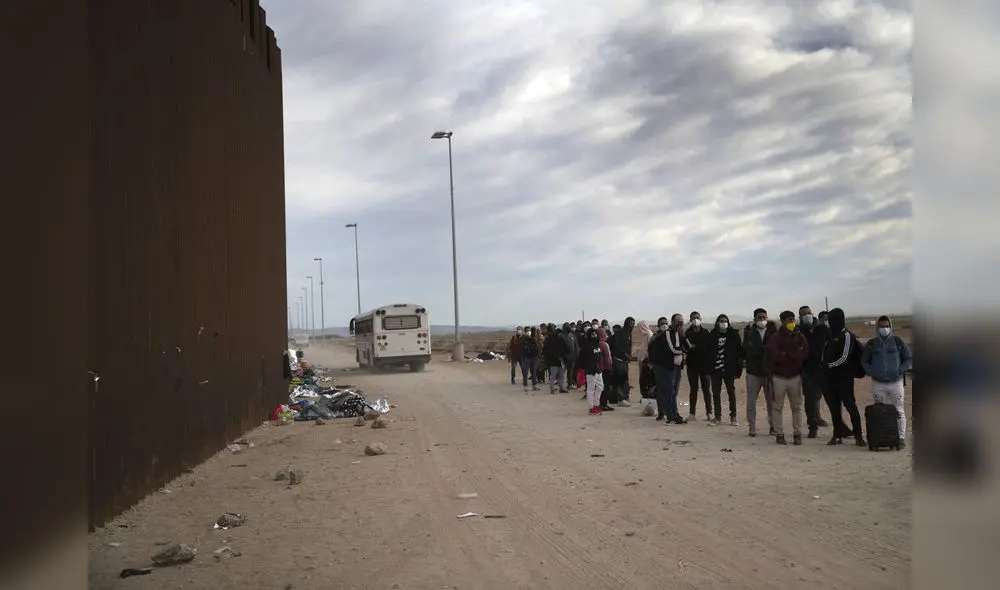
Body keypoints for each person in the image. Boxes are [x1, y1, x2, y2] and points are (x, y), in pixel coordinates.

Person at [861, 315, 913, 448]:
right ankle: (882, 437)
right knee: (880, 411)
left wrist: (900, 370)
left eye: (887, 326)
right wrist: (871, 371)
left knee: (899, 410)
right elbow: (864, 361)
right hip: (878, 383)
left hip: (896, 382)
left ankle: (900, 438)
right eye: (882, 326)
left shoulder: (897, 341)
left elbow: (908, 359)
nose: (884, 328)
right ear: (877, 328)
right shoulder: (872, 344)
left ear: (890, 326)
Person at [822, 308, 866, 446]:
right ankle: (837, 435)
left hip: (844, 378)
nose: (830, 322)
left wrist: (830, 365)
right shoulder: (830, 335)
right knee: (834, 408)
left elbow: (845, 357)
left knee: (850, 406)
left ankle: (858, 436)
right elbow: (825, 352)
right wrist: (823, 365)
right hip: (830, 379)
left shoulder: (847, 335)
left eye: (832, 319)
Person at [766, 311, 810, 445]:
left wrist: (789, 355)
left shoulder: (799, 336)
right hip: (779, 378)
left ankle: (797, 433)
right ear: (783, 321)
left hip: (795, 377)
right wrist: (792, 355)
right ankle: (779, 434)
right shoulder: (775, 337)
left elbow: (804, 352)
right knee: (777, 407)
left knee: (796, 407)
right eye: (789, 320)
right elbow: (775, 355)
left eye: (793, 319)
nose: (792, 322)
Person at [743, 308, 776, 436]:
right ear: (754, 319)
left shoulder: (773, 332)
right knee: (751, 401)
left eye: (764, 317)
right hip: (753, 372)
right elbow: (748, 351)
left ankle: (773, 425)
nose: (762, 320)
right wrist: (765, 349)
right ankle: (752, 426)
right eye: (759, 317)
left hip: (769, 372)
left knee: (771, 401)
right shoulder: (749, 333)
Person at [799, 306, 831, 438]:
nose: (806, 315)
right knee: (810, 400)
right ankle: (813, 426)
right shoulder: (799, 331)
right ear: (800, 317)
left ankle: (840, 425)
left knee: (832, 398)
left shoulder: (823, 329)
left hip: (824, 369)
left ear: (812, 313)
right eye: (803, 314)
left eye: (808, 312)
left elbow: (830, 346)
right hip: (808, 371)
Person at [648, 317, 684, 424]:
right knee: (667, 390)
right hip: (665, 365)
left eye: (682, 322)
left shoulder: (678, 333)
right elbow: (671, 349)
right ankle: (669, 415)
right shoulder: (663, 335)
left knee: (673, 391)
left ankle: (673, 413)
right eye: (678, 322)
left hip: (675, 365)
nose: (680, 324)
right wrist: (683, 350)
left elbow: (683, 344)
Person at [708, 314, 743, 425]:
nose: (723, 323)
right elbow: (708, 352)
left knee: (731, 393)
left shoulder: (734, 335)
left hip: (729, 368)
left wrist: (738, 369)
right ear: (717, 323)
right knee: (716, 393)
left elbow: (739, 353)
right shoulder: (713, 334)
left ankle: (733, 417)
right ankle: (717, 417)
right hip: (716, 369)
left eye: (725, 321)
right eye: (721, 321)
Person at [684, 311, 714, 421]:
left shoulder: (706, 332)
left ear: (700, 318)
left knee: (706, 389)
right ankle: (692, 413)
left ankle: (709, 412)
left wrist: (695, 347)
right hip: (692, 365)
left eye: (697, 317)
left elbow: (708, 347)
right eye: (693, 318)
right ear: (690, 320)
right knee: (693, 389)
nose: (695, 319)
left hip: (704, 365)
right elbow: (686, 348)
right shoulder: (687, 333)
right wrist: (692, 347)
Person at [610, 317, 636, 407]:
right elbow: (616, 346)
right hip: (618, 359)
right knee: (620, 380)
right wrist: (625, 354)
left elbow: (628, 345)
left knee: (624, 379)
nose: (632, 325)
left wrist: (629, 355)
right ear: (626, 323)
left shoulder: (629, 333)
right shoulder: (620, 333)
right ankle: (621, 399)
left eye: (633, 323)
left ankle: (623, 397)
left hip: (625, 360)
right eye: (631, 323)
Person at [579, 328, 605, 415]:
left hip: (598, 370)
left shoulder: (598, 345)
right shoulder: (586, 346)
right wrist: (586, 368)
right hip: (591, 370)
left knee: (600, 387)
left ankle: (596, 404)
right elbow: (582, 359)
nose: (594, 336)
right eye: (592, 334)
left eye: (595, 334)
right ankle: (591, 408)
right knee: (591, 389)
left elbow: (599, 357)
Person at [543, 324, 569, 394]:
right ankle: (556, 388)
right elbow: (550, 350)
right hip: (557, 360)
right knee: (556, 375)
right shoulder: (556, 339)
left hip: (558, 360)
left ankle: (558, 388)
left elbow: (567, 349)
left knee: (558, 375)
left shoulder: (557, 339)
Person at [597, 328, 616, 411]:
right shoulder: (604, 344)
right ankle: (603, 404)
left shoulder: (595, 344)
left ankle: (599, 404)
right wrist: (611, 367)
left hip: (597, 369)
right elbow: (608, 358)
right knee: (606, 387)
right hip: (605, 369)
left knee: (599, 387)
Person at [520, 327, 540, 392]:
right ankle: (525, 386)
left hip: (534, 357)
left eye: (529, 331)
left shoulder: (533, 338)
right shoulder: (523, 339)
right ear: (525, 332)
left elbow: (537, 347)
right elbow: (522, 349)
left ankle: (534, 386)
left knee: (534, 372)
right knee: (525, 372)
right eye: (527, 331)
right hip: (526, 358)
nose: (528, 332)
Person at [562, 322, 580, 390]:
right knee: (563, 371)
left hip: (571, 356)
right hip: (565, 356)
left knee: (570, 371)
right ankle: (563, 385)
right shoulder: (563, 335)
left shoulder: (571, 335)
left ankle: (569, 384)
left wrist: (575, 354)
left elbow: (576, 345)